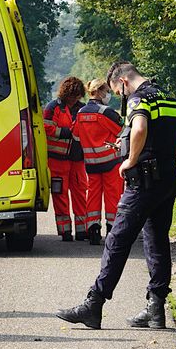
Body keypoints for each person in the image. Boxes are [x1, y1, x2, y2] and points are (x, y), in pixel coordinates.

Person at [57, 62, 176, 330]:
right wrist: (127, 145)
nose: (120, 96)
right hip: (169, 177)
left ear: (124, 82)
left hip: (145, 180)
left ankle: (94, 304)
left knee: (117, 240)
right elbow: (162, 135)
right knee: (156, 240)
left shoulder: (140, 98)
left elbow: (139, 129)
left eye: (118, 91)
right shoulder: (168, 98)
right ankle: (156, 308)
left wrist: (130, 159)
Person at [73, 78, 124, 245]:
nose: (108, 94)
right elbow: (121, 131)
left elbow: (75, 135)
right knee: (112, 196)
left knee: (93, 196)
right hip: (110, 162)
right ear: (99, 91)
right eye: (106, 91)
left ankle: (93, 230)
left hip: (91, 163)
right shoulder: (106, 112)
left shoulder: (80, 113)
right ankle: (112, 230)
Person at [43, 77, 91, 241]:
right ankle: (64, 231)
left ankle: (82, 230)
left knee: (80, 193)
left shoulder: (83, 109)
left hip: (77, 159)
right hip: (57, 160)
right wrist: (66, 132)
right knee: (60, 195)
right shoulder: (53, 107)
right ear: (65, 93)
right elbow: (46, 127)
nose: (74, 99)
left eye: (77, 96)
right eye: (72, 95)